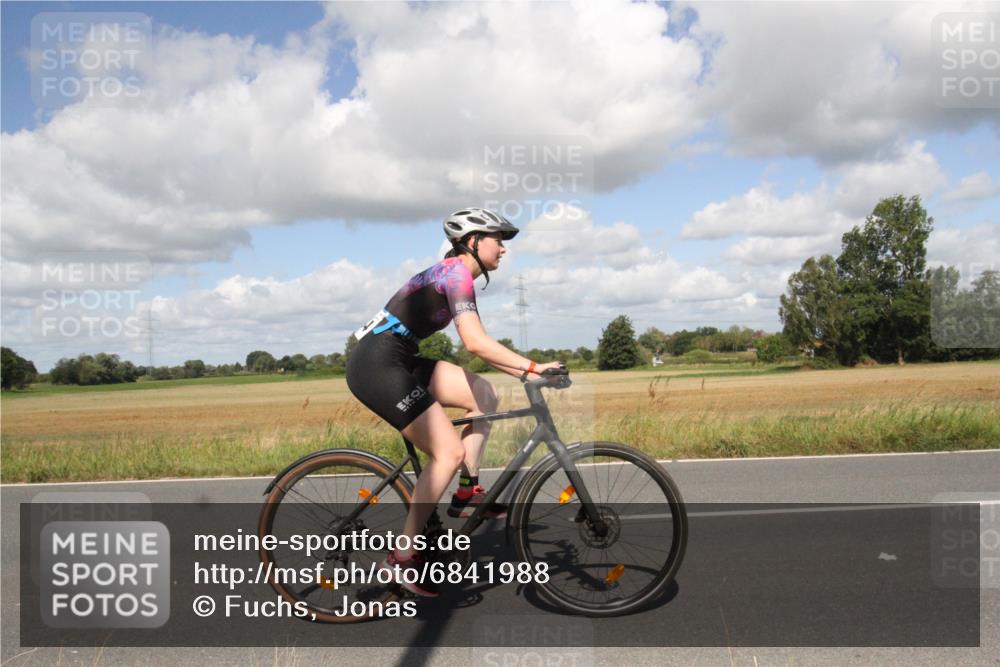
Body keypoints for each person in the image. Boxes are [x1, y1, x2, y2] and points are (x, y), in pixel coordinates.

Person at [346, 207, 561, 597]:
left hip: (401, 358)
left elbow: (478, 345)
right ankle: (402, 557)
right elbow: (476, 343)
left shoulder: (455, 274)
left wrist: (526, 372)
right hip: (375, 363)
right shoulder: (456, 273)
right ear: (474, 242)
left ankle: (466, 492)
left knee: (483, 394)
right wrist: (532, 368)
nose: (504, 249)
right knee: (447, 452)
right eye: (498, 240)